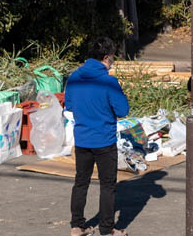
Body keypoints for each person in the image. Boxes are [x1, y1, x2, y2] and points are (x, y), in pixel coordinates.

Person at [66, 36, 130, 236]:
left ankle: (77, 226)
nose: (112, 62)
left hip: (82, 139)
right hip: (104, 140)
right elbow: (122, 110)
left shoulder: (74, 77)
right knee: (107, 186)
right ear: (105, 57)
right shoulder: (108, 81)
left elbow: (68, 105)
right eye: (112, 58)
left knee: (80, 182)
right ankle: (106, 229)